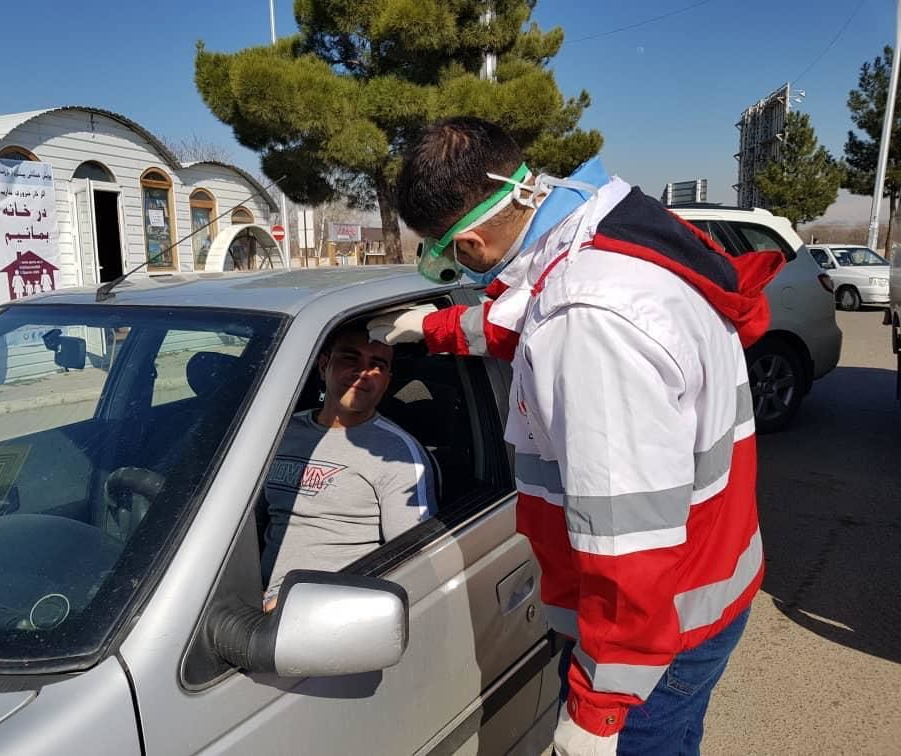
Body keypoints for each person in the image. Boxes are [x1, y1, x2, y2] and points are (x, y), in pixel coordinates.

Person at [368, 117, 783, 755]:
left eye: (444, 254)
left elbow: (629, 541)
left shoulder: (589, 323)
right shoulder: (606, 226)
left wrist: (599, 711)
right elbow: (530, 312)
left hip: (653, 644)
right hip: (706, 582)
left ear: (470, 245)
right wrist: (440, 329)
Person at [260, 321, 437, 611]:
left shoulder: (397, 454)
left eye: (377, 364)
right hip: (249, 600)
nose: (362, 372)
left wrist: (298, 605)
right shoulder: (282, 433)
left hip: (328, 612)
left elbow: (413, 560)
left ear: (387, 381)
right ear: (323, 365)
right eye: (350, 358)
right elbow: (249, 521)